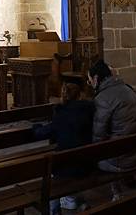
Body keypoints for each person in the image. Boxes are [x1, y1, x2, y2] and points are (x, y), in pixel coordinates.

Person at [32, 83, 94, 214]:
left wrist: (35, 127)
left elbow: (42, 133)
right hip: (88, 163)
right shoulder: (89, 111)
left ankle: (54, 210)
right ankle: (74, 199)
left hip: (67, 166)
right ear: (79, 96)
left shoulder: (62, 114)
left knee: (52, 168)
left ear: (63, 97)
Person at [88, 60, 136, 200]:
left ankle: (116, 193)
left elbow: (98, 137)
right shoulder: (128, 89)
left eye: (89, 80)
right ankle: (128, 179)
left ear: (96, 78)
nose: (89, 83)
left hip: (118, 160)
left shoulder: (103, 98)